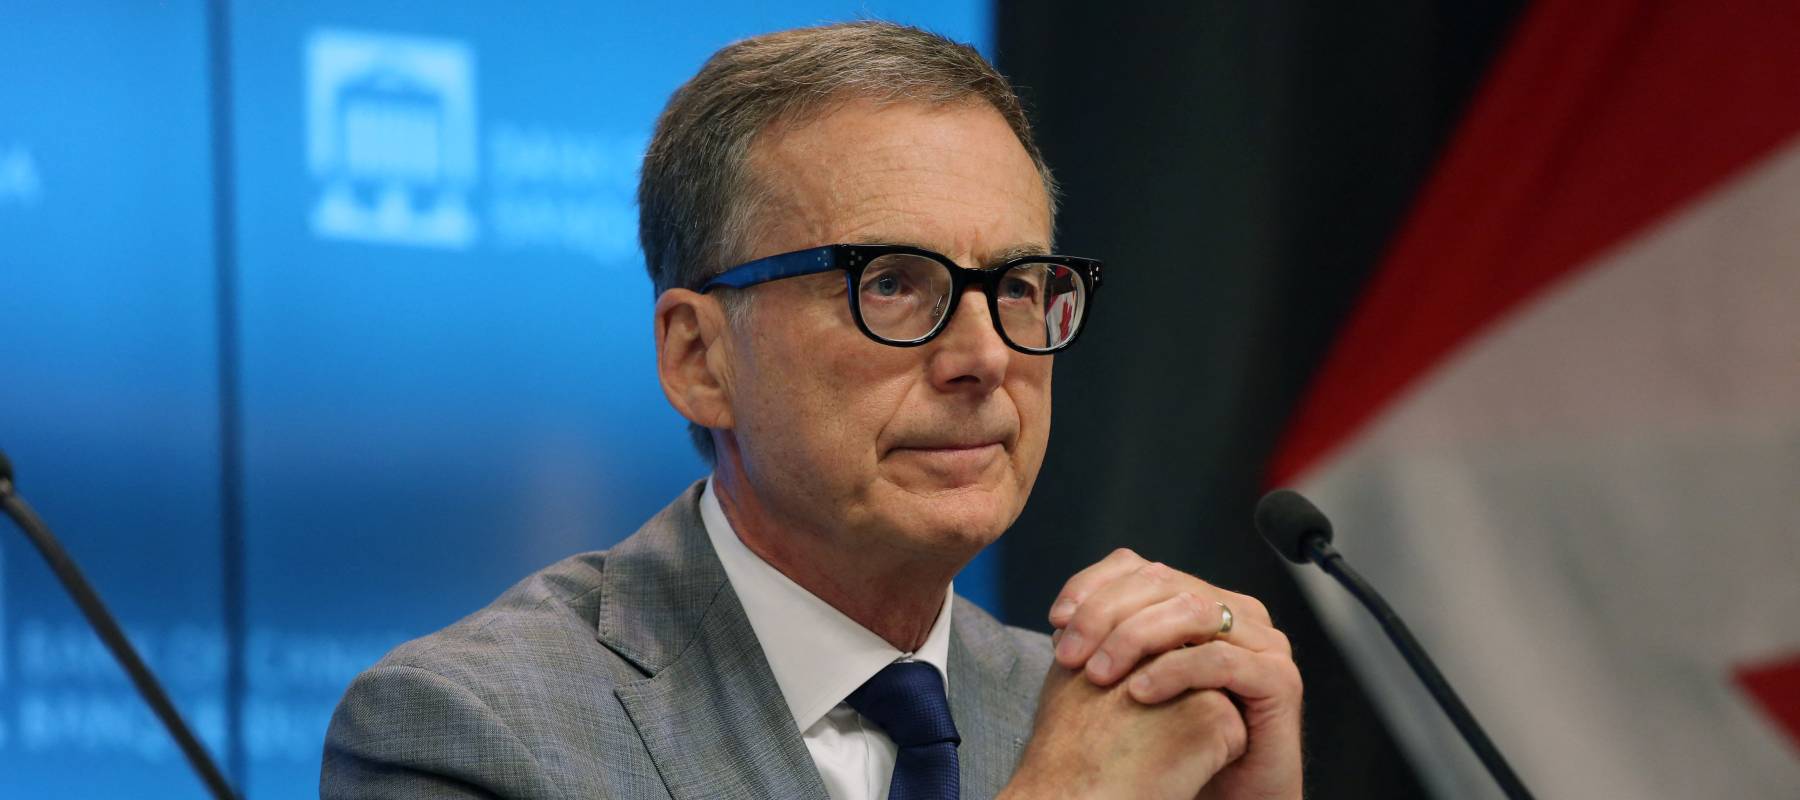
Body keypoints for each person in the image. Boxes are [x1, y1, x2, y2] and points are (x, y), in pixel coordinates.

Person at [322, 21, 1302, 800]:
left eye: (1017, 283)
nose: (986, 356)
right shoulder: (467, 730)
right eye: (891, 284)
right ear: (699, 358)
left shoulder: (1101, 704)